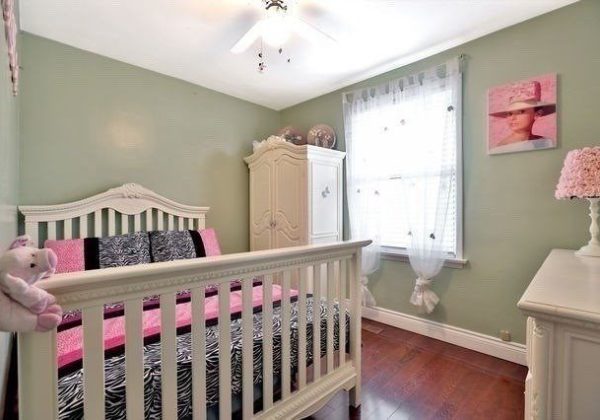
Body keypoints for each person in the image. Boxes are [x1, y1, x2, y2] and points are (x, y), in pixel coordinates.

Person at [489, 80, 556, 154]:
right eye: (510, 113)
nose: (513, 118)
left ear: (537, 114)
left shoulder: (546, 142)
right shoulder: (502, 149)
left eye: (521, 112)